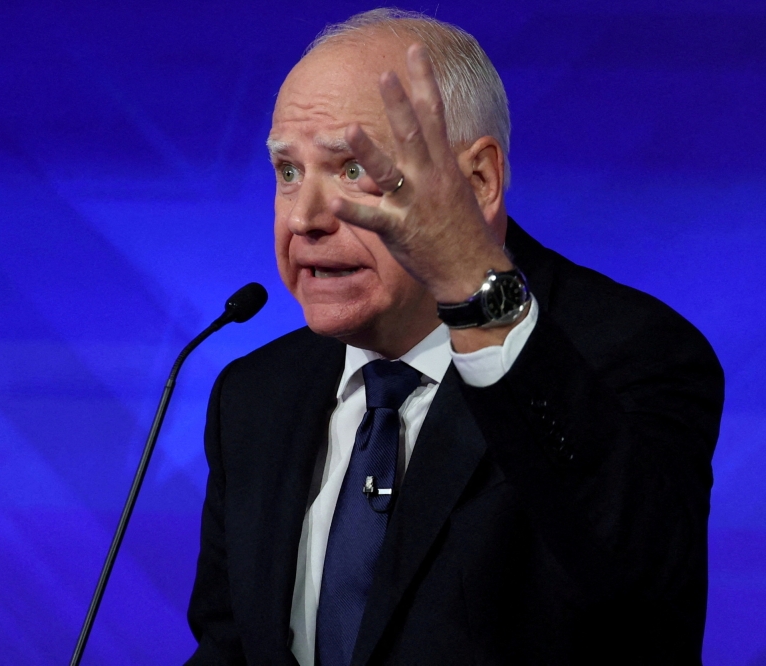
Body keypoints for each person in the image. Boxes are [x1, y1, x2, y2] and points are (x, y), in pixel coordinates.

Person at [186, 9, 723, 665]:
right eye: (288, 172)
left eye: (353, 169)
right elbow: (230, 648)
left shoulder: (627, 355)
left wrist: (474, 282)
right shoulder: (254, 395)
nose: (304, 218)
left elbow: (635, 589)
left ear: (479, 182)